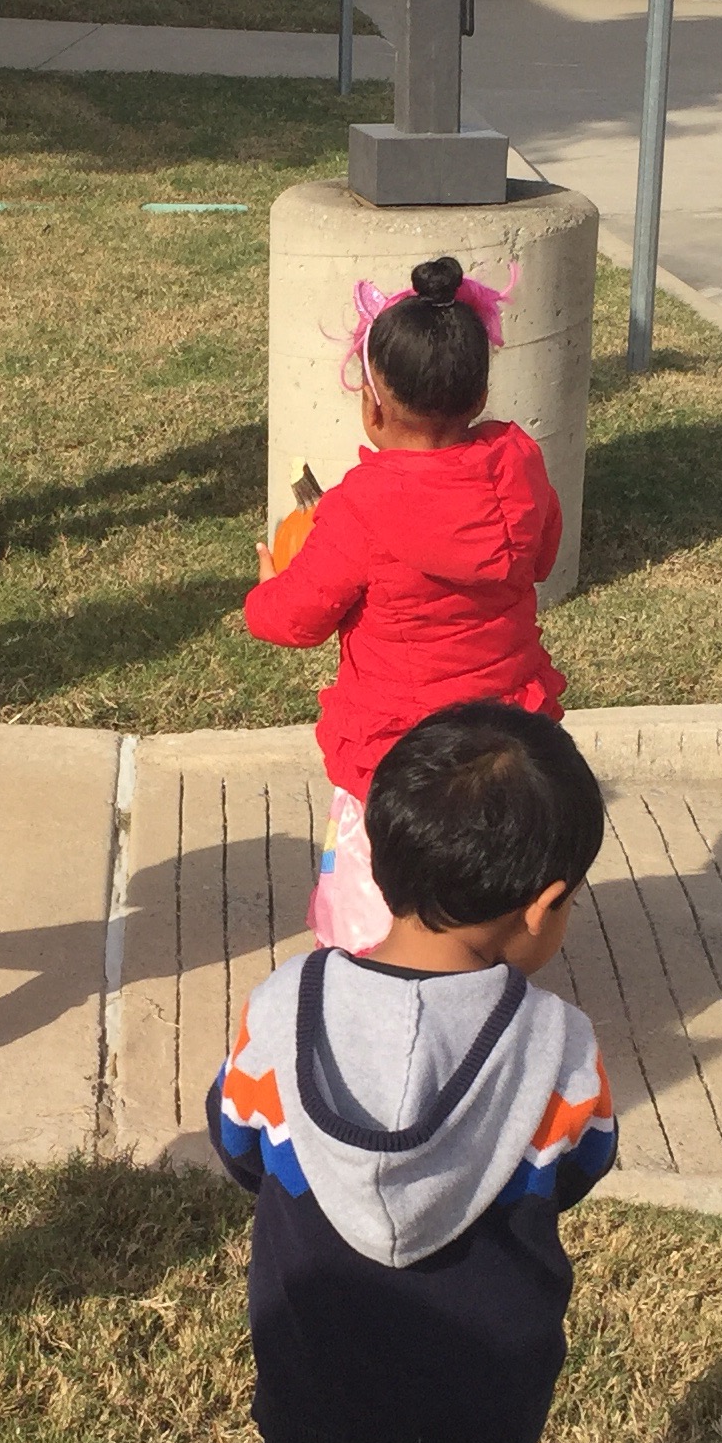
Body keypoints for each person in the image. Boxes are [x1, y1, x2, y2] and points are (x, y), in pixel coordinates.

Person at [207, 706, 618, 1443]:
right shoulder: (561, 1044)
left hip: (321, 1368)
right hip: (484, 1379)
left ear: (377, 861)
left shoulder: (280, 1010)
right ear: (543, 906)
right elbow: (578, 1168)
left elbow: (238, 1145)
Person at [243, 255, 563, 951]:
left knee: (380, 893)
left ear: (372, 404)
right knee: (486, 871)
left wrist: (268, 588)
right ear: (480, 394)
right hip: (503, 738)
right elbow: (540, 556)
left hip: (400, 753)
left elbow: (294, 620)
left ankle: (374, 981)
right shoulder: (521, 464)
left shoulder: (357, 508)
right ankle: (483, 966)